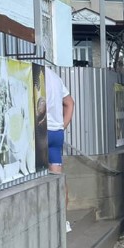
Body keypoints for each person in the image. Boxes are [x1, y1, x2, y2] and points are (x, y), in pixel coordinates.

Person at [45, 67, 75, 231]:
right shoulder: (55, 77)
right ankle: (62, 221)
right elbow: (70, 102)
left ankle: (44, 220)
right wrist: (62, 126)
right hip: (56, 132)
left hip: (39, 132)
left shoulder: (31, 71)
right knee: (57, 176)